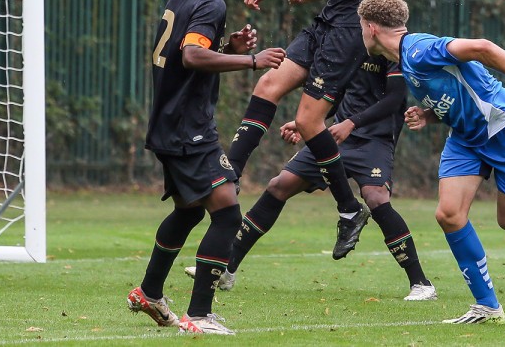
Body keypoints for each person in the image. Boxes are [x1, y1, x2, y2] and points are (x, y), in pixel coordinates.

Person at [227, 0, 389, 260]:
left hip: (348, 32)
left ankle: (349, 208)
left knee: (308, 119)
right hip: (328, 21)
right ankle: (226, 175)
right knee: (268, 84)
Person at [126, 0, 286, 335]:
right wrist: (251, 61)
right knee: (228, 213)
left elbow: (188, 54)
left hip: (168, 123)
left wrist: (228, 49)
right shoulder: (211, 5)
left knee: (189, 209)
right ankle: (198, 315)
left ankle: (149, 292)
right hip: (188, 129)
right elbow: (193, 56)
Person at [356, 0, 505, 324]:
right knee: (449, 214)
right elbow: (456, 92)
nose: (359, 33)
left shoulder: (419, 49)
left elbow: (483, 48)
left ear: (372, 28)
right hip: (465, 138)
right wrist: (429, 115)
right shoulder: (405, 61)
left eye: (360, 26)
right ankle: (488, 306)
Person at [186, 54, 438, 301]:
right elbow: (339, 94)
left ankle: (420, 283)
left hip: (374, 142)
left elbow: (395, 99)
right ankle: (227, 270)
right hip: (337, 136)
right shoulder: (352, 45)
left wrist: (351, 122)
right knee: (279, 185)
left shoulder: (394, 51)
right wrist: (307, 121)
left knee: (376, 196)